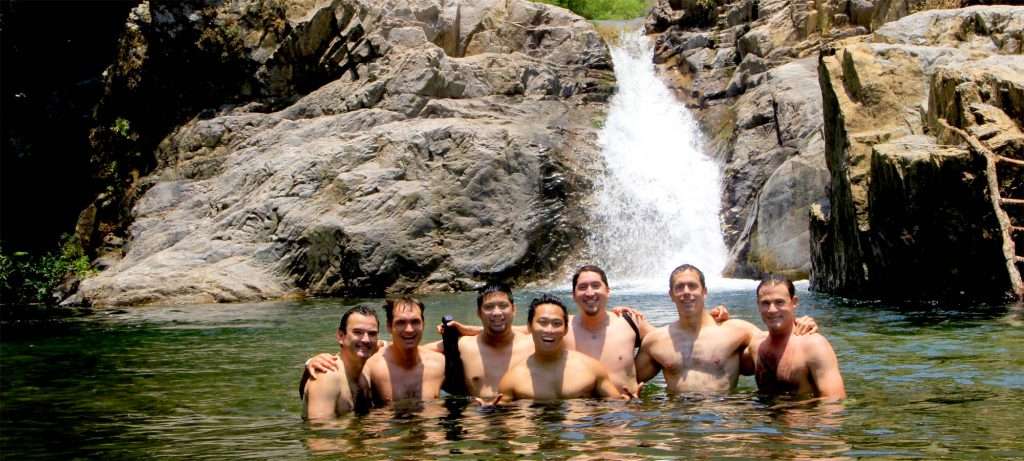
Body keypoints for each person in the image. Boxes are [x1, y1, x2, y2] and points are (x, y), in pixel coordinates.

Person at [634, 264, 817, 394]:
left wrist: (799, 324)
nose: (686, 292)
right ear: (671, 295)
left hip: (723, 423)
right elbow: (626, 380)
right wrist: (621, 317)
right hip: (679, 421)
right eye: (679, 287)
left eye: (692, 286)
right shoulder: (656, 341)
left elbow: (775, 342)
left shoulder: (736, 330)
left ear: (704, 291)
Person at [497, 294, 625, 401]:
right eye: (542, 322)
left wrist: (631, 404)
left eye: (556, 323)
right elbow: (503, 422)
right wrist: (488, 412)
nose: (549, 330)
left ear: (565, 329)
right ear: (530, 327)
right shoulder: (512, 380)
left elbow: (616, 410)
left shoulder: (591, 369)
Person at [748, 274, 846, 400]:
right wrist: (718, 315)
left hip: (804, 418)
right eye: (765, 303)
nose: (772, 310)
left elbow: (834, 402)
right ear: (758, 305)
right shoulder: (756, 345)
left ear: (794, 303)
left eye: (779, 302)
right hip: (764, 417)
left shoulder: (814, 345)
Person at [361, 297, 446, 405]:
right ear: (389, 326)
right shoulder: (371, 368)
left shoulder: (441, 364)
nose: (409, 330)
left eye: (415, 322)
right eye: (401, 322)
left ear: (423, 324)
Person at [303, 304, 380, 419]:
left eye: (372, 333)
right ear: (340, 336)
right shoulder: (327, 377)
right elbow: (319, 433)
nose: (366, 339)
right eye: (357, 332)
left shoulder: (367, 371)